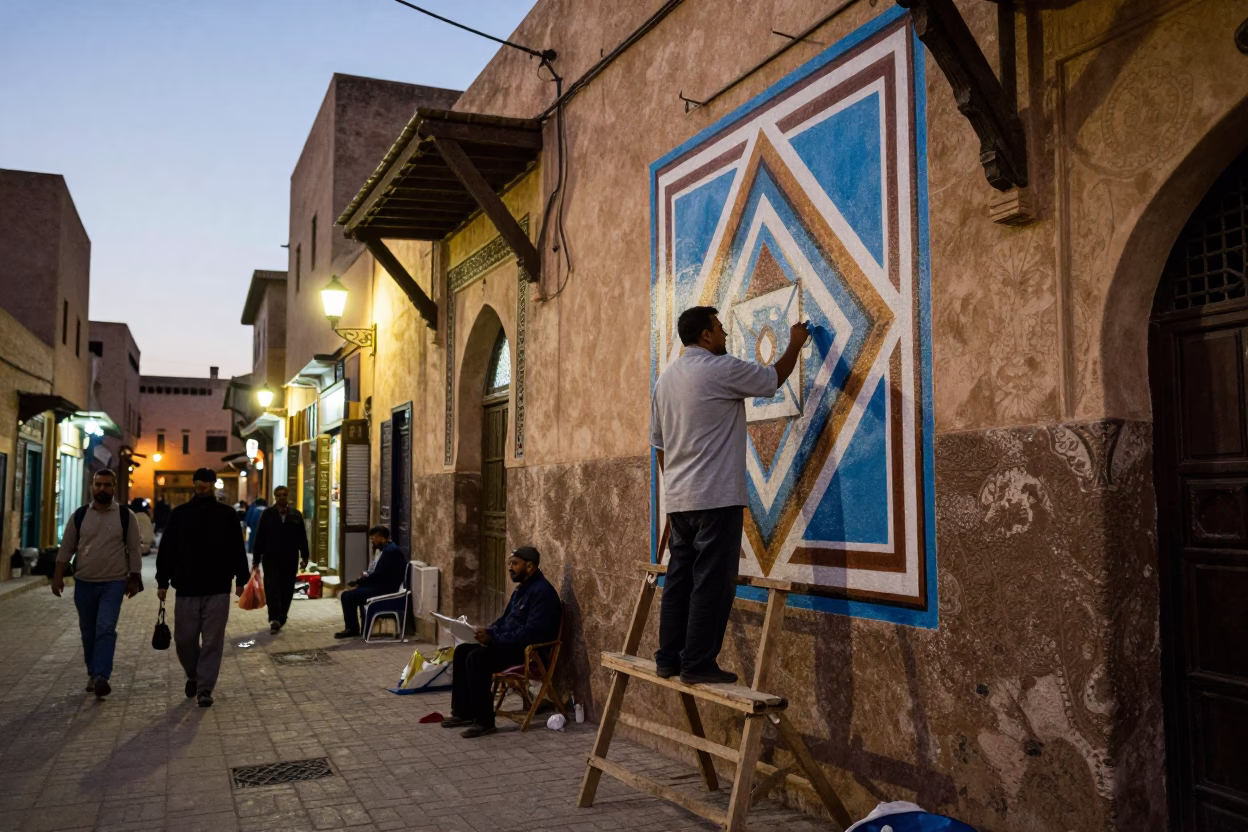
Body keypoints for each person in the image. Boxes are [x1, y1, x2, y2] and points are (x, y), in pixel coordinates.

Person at [650, 306, 809, 685]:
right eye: (720, 329)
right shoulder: (720, 369)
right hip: (716, 498)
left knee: (680, 578)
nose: (724, 336)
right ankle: (698, 663)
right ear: (706, 335)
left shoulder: (666, 380)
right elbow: (774, 377)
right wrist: (796, 344)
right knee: (712, 581)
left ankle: (667, 658)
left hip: (680, 501)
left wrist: (675, 485)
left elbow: (659, 445)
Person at [440, 546, 561, 738]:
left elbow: (531, 634)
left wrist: (495, 639)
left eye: (515, 563)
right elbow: (505, 621)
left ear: (529, 566)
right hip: (510, 645)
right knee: (463, 650)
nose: (510, 567)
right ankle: (463, 713)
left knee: (477, 658)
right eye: (510, 563)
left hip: (527, 652)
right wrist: (488, 632)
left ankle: (484, 721)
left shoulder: (542, 593)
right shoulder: (521, 591)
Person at [156, 467, 250, 707]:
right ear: (194, 484)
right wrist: (162, 580)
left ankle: (205, 688)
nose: (203, 487)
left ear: (213, 485)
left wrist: (241, 579)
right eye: (200, 483)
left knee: (212, 641)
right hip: (186, 587)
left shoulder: (227, 514)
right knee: (184, 640)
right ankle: (194, 675)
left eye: (208, 483)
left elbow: (236, 548)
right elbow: (167, 548)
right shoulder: (180, 514)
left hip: (218, 586)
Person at [51, 469, 143, 699]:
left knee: (105, 628)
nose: (102, 489)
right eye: (98, 485)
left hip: (113, 583)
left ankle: (102, 675)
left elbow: (134, 549)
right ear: (93, 487)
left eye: (107, 485)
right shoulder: (80, 515)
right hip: (84, 583)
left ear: (114, 487)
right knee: (88, 631)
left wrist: (134, 579)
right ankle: (93, 672)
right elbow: (67, 547)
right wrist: (58, 574)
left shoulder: (125, 515)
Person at [251, 487, 309, 634]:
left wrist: (305, 556)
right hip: (271, 558)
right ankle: (274, 618)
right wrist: (256, 560)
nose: (282, 497)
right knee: (272, 588)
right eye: (279, 495)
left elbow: (302, 537)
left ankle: (282, 615)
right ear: (275, 497)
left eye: (284, 495)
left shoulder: (296, 515)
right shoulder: (268, 514)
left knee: (287, 589)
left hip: (290, 558)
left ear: (288, 496)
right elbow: (260, 537)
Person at [334, 525, 407, 639]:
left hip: (386, 588)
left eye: (373, 539)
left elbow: (380, 574)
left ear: (380, 538)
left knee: (347, 597)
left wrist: (361, 581)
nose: (372, 542)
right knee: (349, 595)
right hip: (382, 585)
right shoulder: (387, 549)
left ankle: (352, 629)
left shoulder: (390, 551)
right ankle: (353, 627)